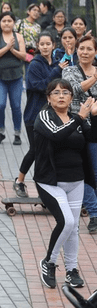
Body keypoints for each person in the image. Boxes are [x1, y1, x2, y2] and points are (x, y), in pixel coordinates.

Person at [35, 79, 97, 290]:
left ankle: (71, 271)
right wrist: (81, 117)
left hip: (76, 180)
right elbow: (56, 135)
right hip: (51, 181)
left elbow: (93, 137)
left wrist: (94, 117)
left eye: (66, 92)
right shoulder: (45, 116)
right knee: (67, 222)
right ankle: (49, 262)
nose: (61, 95)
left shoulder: (75, 118)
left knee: (74, 229)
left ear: (71, 97)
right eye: (56, 92)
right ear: (49, 98)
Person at [13, 32, 61, 198]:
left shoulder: (56, 64)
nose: (45, 47)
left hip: (52, 116)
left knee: (49, 151)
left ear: (53, 45)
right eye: (42, 44)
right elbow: (40, 86)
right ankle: (19, 181)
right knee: (35, 150)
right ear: (38, 46)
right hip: (34, 116)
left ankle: (46, 187)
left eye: (48, 44)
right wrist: (56, 71)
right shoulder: (35, 64)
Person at [62, 35, 97, 234]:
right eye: (81, 48)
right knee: (83, 171)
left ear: (95, 52)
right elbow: (72, 91)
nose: (84, 52)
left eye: (89, 49)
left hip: (96, 125)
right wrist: (94, 79)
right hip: (76, 125)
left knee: (95, 171)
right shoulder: (70, 70)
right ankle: (94, 214)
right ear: (76, 51)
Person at [0, 11, 27, 145]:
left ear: (13, 23)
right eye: (4, 21)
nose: (6, 23)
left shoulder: (18, 36)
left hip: (16, 77)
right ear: (0, 22)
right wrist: (7, 47)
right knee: (0, 105)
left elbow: (23, 56)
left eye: (9, 21)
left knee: (16, 106)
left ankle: (17, 133)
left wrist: (12, 50)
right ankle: (0, 132)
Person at [15, 4, 41, 74]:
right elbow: (13, 35)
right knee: (18, 73)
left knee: (29, 73)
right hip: (20, 52)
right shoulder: (20, 22)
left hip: (31, 53)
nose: (36, 12)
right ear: (28, 12)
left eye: (38, 11)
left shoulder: (38, 26)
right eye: (34, 10)